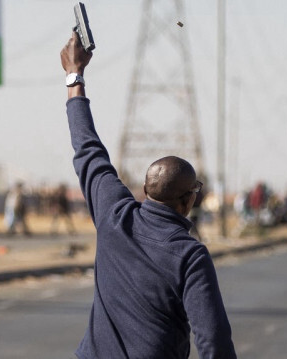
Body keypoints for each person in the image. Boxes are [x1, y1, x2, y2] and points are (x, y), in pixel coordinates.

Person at [61, 32, 236, 359]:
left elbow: (87, 149)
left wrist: (75, 76)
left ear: (144, 191)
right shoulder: (189, 256)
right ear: (188, 202)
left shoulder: (114, 216)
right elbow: (213, 341)